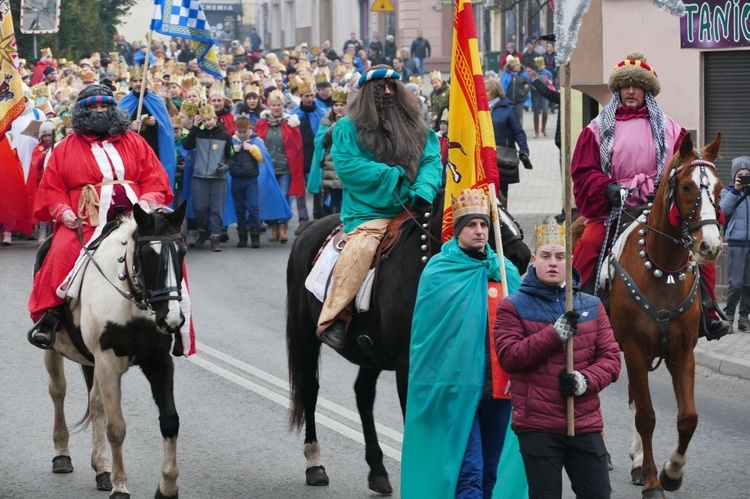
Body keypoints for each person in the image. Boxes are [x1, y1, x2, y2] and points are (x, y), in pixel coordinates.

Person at [571, 52, 730, 339]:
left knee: (699, 247)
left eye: (637, 85)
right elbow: (583, 171)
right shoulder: (595, 129)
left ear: (647, 90)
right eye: (625, 85)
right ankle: (576, 307)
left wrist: (667, 189)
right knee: (589, 243)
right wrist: (607, 187)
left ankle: (708, 309)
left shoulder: (672, 129)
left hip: (659, 204)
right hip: (614, 207)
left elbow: (687, 166)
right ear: (618, 89)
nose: (631, 91)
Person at [401, 188, 526, 499]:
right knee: (468, 471)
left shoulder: (506, 271)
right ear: (457, 230)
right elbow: (428, 338)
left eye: (483, 225)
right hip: (457, 389)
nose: (480, 231)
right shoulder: (439, 272)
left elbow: (525, 325)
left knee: (489, 474)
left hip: (500, 389)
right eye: (471, 225)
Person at [27, 85, 173, 348]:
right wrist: (64, 211)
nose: (99, 111)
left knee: (167, 250)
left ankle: (174, 313)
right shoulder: (64, 148)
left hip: (134, 217)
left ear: (112, 109)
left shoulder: (135, 141)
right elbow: (52, 188)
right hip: (85, 222)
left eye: (104, 106)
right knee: (58, 252)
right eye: (92, 107)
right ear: (82, 112)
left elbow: (154, 177)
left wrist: (148, 201)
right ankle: (50, 316)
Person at [316, 65, 442, 349]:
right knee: (361, 247)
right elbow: (348, 166)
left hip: (415, 204)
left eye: (391, 87)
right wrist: (391, 175)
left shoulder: (418, 127)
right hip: (369, 210)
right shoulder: (347, 128)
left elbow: (431, 161)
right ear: (367, 95)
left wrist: (423, 189)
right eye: (380, 88)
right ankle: (336, 315)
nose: (386, 92)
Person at [494, 219, 621, 499]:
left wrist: (584, 380)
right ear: (534, 260)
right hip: (538, 427)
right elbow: (510, 357)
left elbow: (611, 359)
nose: (553, 263)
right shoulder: (512, 307)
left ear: (570, 260)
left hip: (585, 423)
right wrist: (555, 334)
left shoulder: (591, 305)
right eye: (546, 256)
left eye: (560, 256)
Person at [254, 89, 305, 243]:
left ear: (283, 105)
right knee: (270, 197)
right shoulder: (262, 123)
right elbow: (257, 142)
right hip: (267, 168)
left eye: (279, 105)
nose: (276, 108)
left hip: (285, 167)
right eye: (274, 105)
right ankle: (274, 227)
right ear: (269, 106)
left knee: (283, 195)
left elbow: (297, 146)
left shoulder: (291, 123)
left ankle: (282, 226)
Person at [182, 104, 233, 252]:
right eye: (204, 121)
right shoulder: (198, 133)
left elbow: (231, 157)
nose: (207, 123)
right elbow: (187, 145)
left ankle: (215, 237)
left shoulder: (225, 136)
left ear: (215, 118)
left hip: (218, 178)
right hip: (200, 176)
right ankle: (204, 229)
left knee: (216, 208)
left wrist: (226, 167)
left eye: (209, 119)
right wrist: (194, 127)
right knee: (199, 207)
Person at [118, 67, 176, 193]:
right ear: (131, 83)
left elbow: (166, 128)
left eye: (141, 80)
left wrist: (156, 123)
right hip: (131, 150)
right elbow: (115, 128)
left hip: (152, 149)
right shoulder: (124, 102)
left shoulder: (157, 102)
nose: (138, 83)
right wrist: (129, 126)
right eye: (135, 81)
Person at [486, 78, 531, 203]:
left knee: (501, 193)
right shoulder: (480, 108)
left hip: (501, 158)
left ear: (494, 91)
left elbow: (518, 131)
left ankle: (501, 220)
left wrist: (524, 150)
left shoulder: (508, 108)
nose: (483, 94)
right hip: (484, 157)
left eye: (486, 91)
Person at [290, 79, 327, 221]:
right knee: (300, 189)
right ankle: (303, 219)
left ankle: (318, 216)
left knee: (318, 186)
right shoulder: (294, 113)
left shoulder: (322, 112)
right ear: (301, 97)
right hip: (300, 155)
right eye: (306, 96)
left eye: (311, 95)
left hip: (316, 154)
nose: (310, 98)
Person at [308, 86, 348, 215]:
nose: (339, 108)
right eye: (336, 105)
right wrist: (330, 130)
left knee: (346, 197)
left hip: (346, 163)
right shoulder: (326, 120)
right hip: (330, 164)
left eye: (342, 105)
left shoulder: (352, 120)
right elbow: (320, 142)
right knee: (334, 198)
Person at [721, 156, 750, 331]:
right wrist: (736, 191)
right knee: (735, 283)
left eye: (748, 174)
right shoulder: (728, 191)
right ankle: (729, 317)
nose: (745, 177)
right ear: (734, 176)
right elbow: (722, 211)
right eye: (741, 174)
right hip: (736, 243)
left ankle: (744, 319)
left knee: (748, 284)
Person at [229, 113, 267, 248]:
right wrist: (233, 150)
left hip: (251, 180)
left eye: (244, 131)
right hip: (236, 179)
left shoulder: (256, 141)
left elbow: (263, 159)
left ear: (249, 128)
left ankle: (255, 235)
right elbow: (225, 158)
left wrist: (253, 149)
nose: (242, 134)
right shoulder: (232, 141)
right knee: (239, 208)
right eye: (240, 131)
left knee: (253, 207)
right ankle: (242, 236)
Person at [500, 57, 529, 126]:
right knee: (510, 116)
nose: (518, 67)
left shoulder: (523, 75)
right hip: (509, 99)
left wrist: (524, 91)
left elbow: (528, 84)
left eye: (519, 65)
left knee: (519, 116)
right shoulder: (506, 75)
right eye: (516, 65)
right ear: (512, 67)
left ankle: (520, 131)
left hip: (519, 99)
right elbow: (503, 85)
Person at [529, 57, 553, 138]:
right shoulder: (534, 73)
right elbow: (530, 82)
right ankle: (536, 131)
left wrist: (549, 81)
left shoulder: (547, 73)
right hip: (536, 93)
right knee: (536, 111)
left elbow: (551, 82)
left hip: (545, 93)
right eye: (539, 65)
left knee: (545, 111)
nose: (541, 67)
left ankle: (544, 128)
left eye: (542, 65)